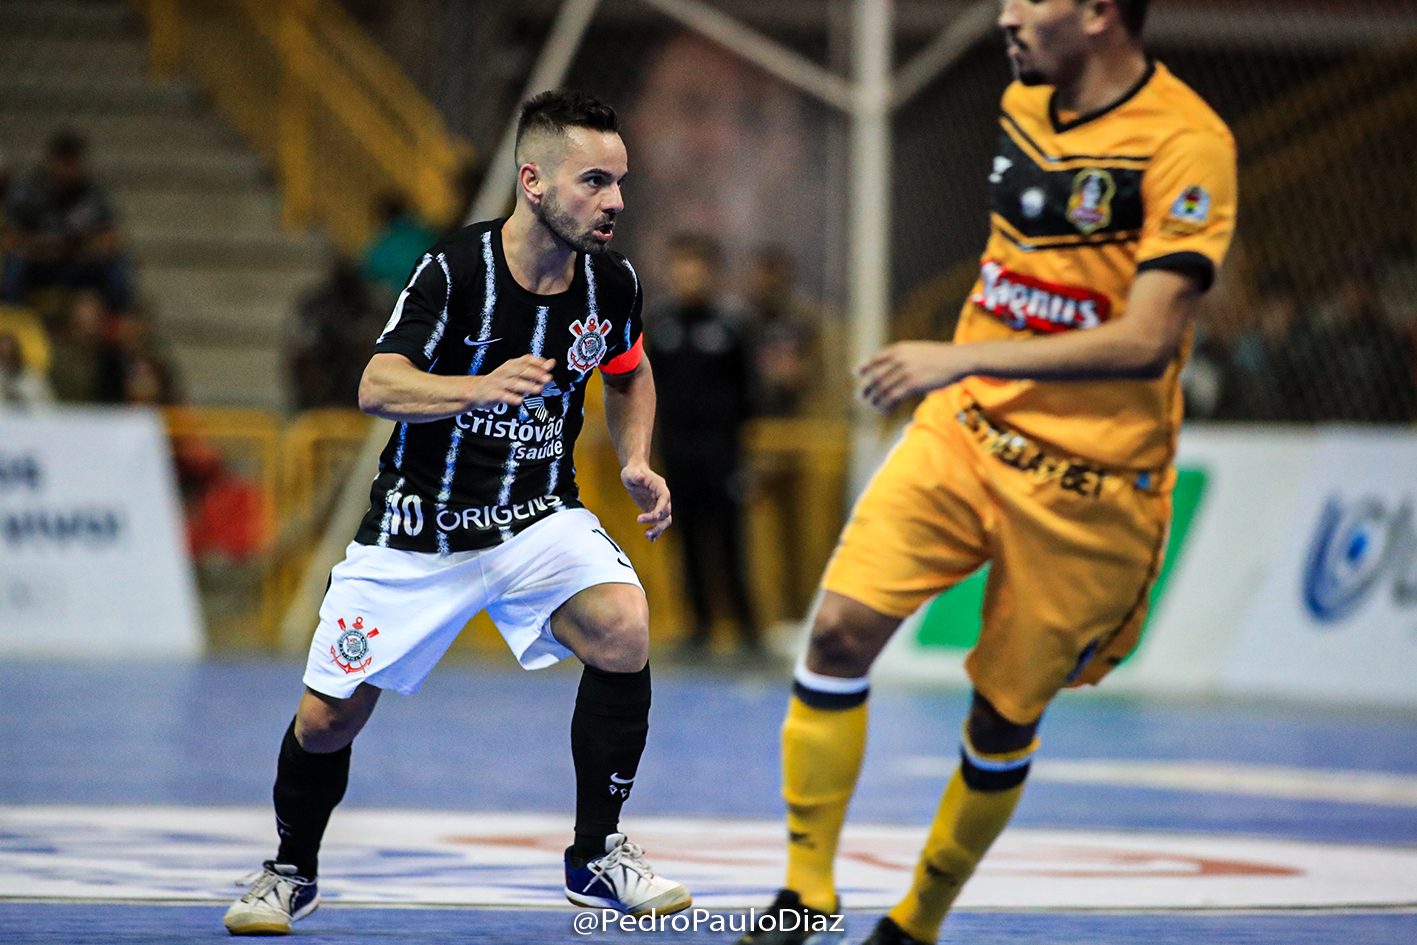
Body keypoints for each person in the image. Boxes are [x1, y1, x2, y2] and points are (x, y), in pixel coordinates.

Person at [737, 1, 1237, 943]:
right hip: (962, 435)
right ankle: (804, 891)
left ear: (1096, 14)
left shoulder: (1186, 143)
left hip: (1091, 485)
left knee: (1003, 719)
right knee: (837, 633)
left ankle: (918, 920)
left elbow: (1145, 340)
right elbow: (1029, 261)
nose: (1006, 14)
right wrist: (970, 366)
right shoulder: (1023, 101)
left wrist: (962, 355)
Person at [223, 90, 690, 935]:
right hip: (416, 534)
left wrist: (634, 459)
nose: (616, 201)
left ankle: (596, 855)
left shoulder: (610, 283)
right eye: (594, 180)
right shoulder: (453, 271)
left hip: (536, 518)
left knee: (624, 624)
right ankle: (291, 869)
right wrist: (479, 385)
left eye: (620, 182)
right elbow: (375, 385)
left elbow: (628, 369)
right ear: (533, 183)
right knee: (327, 719)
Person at [646, 234, 757, 655]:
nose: (688, 276)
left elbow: (749, 391)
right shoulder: (660, 325)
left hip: (723, 453)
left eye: (697, 268)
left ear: (710, 273)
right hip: (677, 452)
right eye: (681, 267)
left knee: (730, 538)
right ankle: (698, 626)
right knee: (686, 539)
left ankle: (746, 629)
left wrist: (740, 445)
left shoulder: (731, 326)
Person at [1, 129, 132, 312]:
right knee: (14, 267)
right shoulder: (29, 191)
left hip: (78, 261)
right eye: (64, 163)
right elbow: (11, 238)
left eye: (74, 163)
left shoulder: (93, 193)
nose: (69, 170)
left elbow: (112, 238)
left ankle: (116, 319)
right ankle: (13, 318)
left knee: (117, 268)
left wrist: (80, 246)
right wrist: (46, 245)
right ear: (52, 161)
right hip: (40, 261)